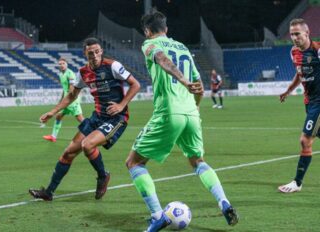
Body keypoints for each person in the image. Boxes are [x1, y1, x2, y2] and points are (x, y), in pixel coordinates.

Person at [125, 11, 239, 232]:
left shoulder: (149, 44)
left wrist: (183, 81)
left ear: (147, 31)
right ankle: (223, 201)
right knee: (198, 161)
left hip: (169, 112)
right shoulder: (183, 47)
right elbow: (200, 87)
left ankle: (158, 215)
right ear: (166, 29)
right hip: (191, 113)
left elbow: (162, 59)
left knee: (134, 163)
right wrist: (193, 109)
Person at [29, 37, 141, 201]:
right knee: (68, 153)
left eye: (97, 52)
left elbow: (135, 84)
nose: (94, 56)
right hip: (96, 117)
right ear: (85, 54)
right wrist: (52, 112)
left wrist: (122, 105)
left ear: (101, 51)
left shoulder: (113, 66)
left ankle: (103, 176)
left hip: (116, 119)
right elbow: (72, 95)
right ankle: (49, 192)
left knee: (87, 145)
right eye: (90, 53)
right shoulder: (82, 73)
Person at [278, 18, 320, 193]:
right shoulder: (293, 52)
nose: (294, 37)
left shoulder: (317, 50)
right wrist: (288, 90)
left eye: (297, 34)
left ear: (307, 33)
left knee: (305, 140)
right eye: (292, 34)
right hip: (309, 102)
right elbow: (299, 73)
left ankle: (297, 182)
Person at [43, 58, 84, 142]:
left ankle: (94, 133)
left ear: (67, 64)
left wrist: (69, 99)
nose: (61, 65)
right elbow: (64, 89)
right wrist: (61, 100)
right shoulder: (61, 74)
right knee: (58, 116)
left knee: (80, 118)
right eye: (60, 64)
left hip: (71, 100)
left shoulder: (70, 73)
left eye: (63, 63)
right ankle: (53, 136)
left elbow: (72, 88)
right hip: (66, 99)